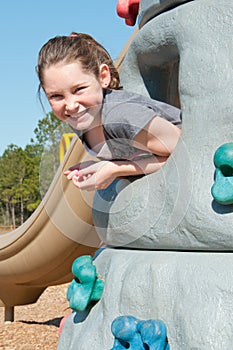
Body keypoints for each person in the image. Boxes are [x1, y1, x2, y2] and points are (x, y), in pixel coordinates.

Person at [36, 32, 182, 191]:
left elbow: (188, 152)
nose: (70, 106)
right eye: (56, 96)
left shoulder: (122, 117)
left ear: (103, 77)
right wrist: (100, 167)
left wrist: (115, 169)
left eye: (79, 89)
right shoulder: (81, 119)